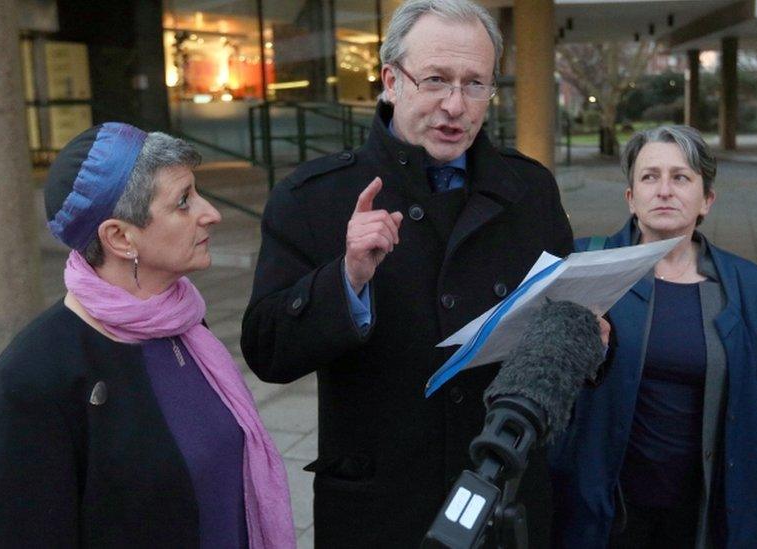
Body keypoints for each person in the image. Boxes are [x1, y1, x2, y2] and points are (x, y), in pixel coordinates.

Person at [240, 0, 579, 545]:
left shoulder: (530, 190)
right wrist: (346, 280)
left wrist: (587, 339)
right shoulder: (313, 197)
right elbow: (267, 351)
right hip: (377, 508)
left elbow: (563, 322)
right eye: (436, 80)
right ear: (390, 81)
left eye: (475, 84)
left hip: (503, 498)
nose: (455, 105)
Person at [0, 123, 295, 548]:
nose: (210, 212)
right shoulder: (31, 380)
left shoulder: (181, 322)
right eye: (183, 202)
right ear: (120, 237)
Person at [548, 126, 757, 548]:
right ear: (631, 198)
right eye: (649, 177)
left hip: (703, 513)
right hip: (604, 509)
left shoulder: (751, 288)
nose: (664, 190)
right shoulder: (586, 267)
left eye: (681, 177)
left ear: (706, 200)